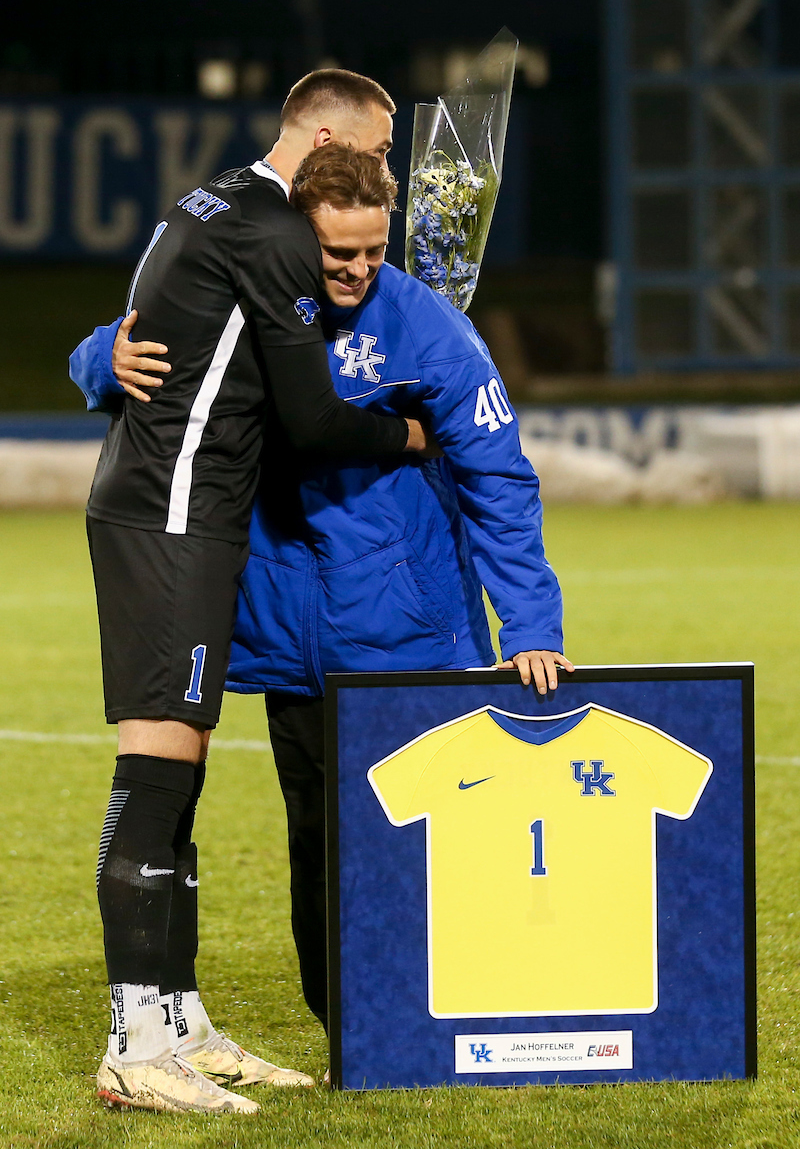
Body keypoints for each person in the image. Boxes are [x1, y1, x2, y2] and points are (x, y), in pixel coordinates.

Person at [74, 143, 572, 1042]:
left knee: (423, 833)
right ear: (299, 236)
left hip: (407, 638)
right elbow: (120, 340)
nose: (355, 271)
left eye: (373, 252)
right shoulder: (253, 296)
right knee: (316, 842)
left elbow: (500, 477)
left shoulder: (425, 328)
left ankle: (452, 1008)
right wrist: (105, 360)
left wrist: (530, 621)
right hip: (291, 639)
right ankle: (348, 1020)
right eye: (338, 254)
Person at [71, 70, 433, 1115]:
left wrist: (101, 354)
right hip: (173, 518)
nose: (381, 176)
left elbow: (151, 330)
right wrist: (409, 431)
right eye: (372, 154)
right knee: (156, 772)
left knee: (177, 777)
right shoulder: (274, 235)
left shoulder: (209, 196)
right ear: (323, 137)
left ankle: (177, 1021)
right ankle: (135, 1047)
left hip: (169, 510)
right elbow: (313, 420)